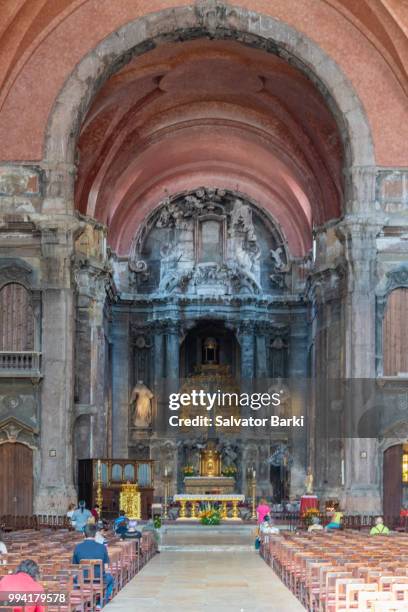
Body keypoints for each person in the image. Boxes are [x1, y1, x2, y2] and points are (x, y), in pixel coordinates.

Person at [72, 523, 114, 603]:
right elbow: (106, 566)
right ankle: (101, 602)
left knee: (74, 580)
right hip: (99, 579)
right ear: (95, 534)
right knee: (111, 579)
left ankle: (80, 600)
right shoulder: (102, 547)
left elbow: (75, 567)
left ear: (84, 534)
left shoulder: (77, 547)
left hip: (82, 580)